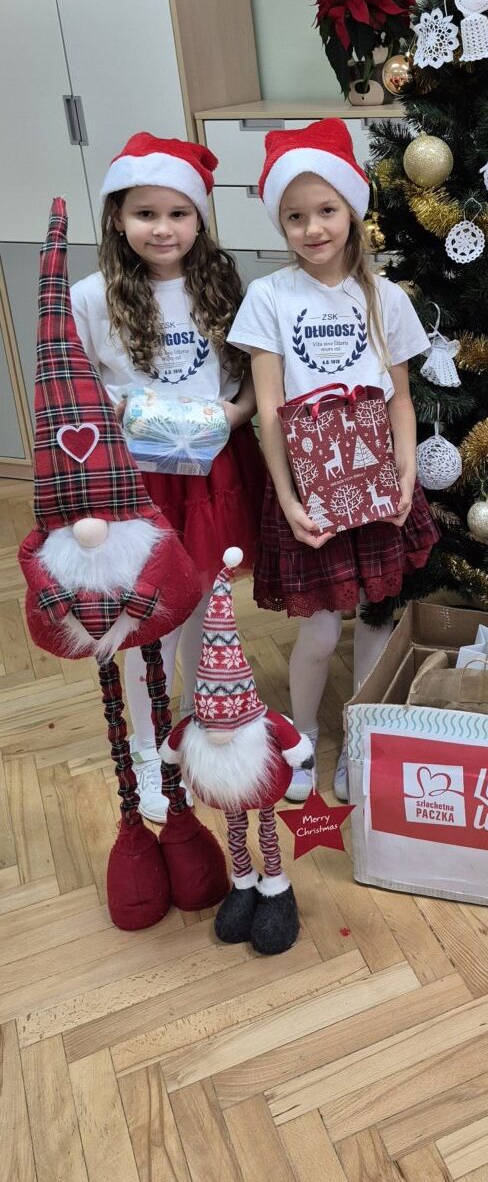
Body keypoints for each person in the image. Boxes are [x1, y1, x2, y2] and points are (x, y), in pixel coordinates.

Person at [228, 120, 439, 805]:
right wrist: (288, 500)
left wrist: (405, 477)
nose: (312, 228)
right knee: (319, 630)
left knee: (377, 618)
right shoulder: (269, 297)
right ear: (280, 222)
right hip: (308, 488)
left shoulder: (386, 297)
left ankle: (358, 735)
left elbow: (400, 398)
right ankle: (300, 738)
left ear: (352, 209)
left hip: (378, 482)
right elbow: (268, 409)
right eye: (295, 216)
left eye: (326, 210)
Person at [70, 132, 266, 822]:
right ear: (117, 216)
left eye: (178, 213)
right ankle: (147, 745)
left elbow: (250, 378)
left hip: (211, 471)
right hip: (136, 481)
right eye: (145, 213)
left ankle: (192, 718)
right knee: (145, 618)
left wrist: (235, 414)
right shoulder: (90, 297)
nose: (162, 228)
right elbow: (77, 387)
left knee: (205, 603)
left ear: (199, 218)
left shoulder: (222, 285)